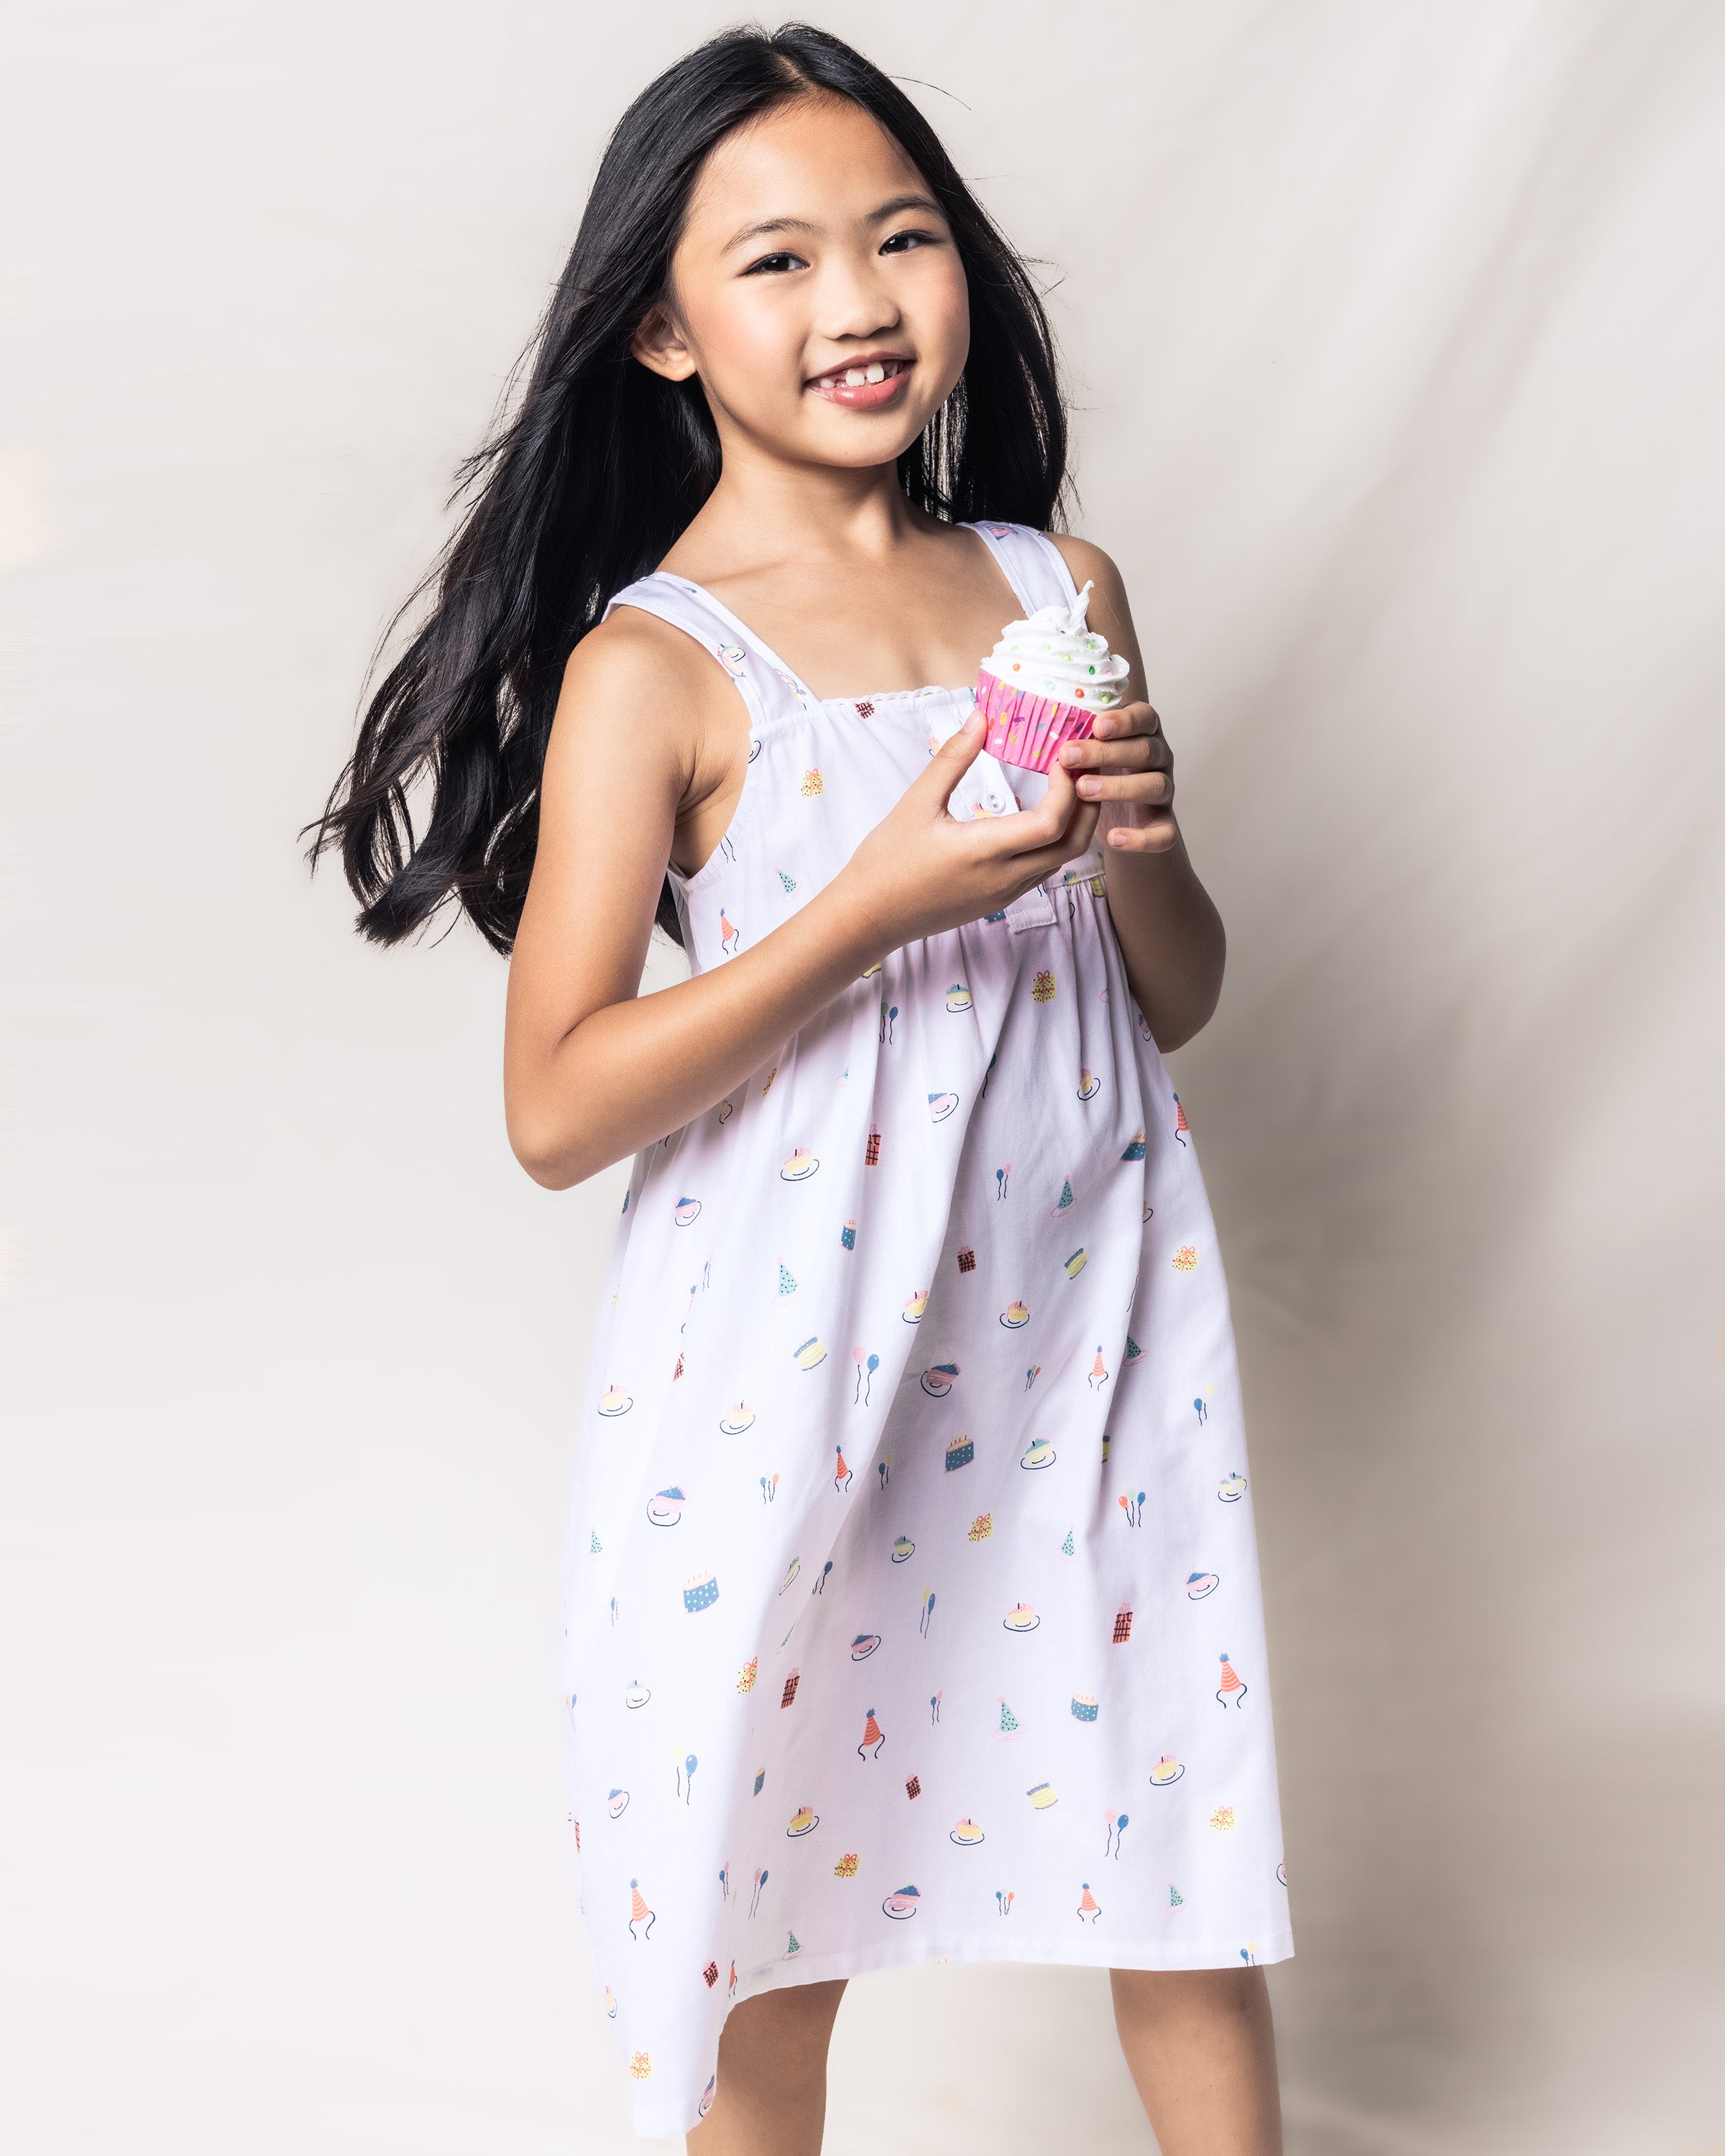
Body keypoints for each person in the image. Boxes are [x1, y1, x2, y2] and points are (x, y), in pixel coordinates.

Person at [313, 24, 1291, 2153]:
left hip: (1088, 1343)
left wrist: (1145, 839)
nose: (858, 303)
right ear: (660, 330)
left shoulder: (1060, 590)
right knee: (765, 1918)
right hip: (789, 1361)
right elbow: (559, 1105)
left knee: (1183, 1876)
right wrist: (875, 894)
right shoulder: (653, 667)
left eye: (904, 237)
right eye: (777, 262)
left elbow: (1176, 997)